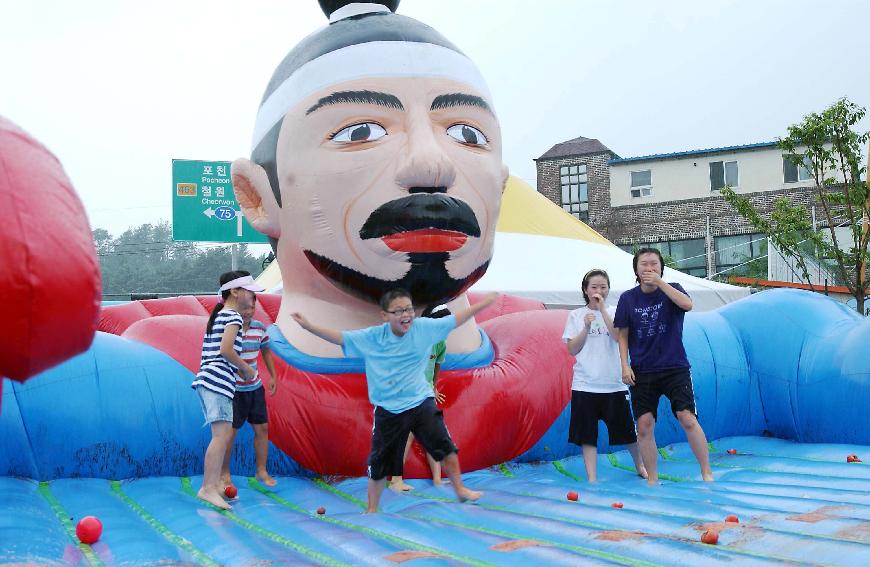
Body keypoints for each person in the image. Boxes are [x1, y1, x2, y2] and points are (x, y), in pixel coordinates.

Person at [290, 289, 497, 512]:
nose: (405, 315)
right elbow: (340, 337)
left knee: (445, 446)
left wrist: (482, 304)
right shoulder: (373, 337)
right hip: (389, 408)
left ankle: (460, 490)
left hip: (420, 401)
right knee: (379, 462)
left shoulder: (423, 329)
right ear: (385, 315)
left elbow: (455, 320)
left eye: (408, 309)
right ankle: (372, 509)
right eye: (398, 311)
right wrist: (308, 326)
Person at [614, 248, 714, 485]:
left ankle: (706, 472)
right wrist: (624, 366)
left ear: (661, 268)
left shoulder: (674, 289)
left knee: (687, 417)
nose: (649, 268)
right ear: (636, 271)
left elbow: (688, 305)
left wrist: (661, 283)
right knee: (645, 425)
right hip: (642, 370)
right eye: (644, 265)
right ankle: (653, 478)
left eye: (654, 264)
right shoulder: (628, 299)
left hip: (675, 367)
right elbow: (623, 335)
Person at [563, 269, 646, 482]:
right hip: (585, 384)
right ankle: (592, 476)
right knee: (587, 436)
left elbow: (618, 337)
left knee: (628, 432)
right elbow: (572, 349)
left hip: (614, 384)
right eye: (594, 287)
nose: (599, 291)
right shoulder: (576, 315)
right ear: (585, 290)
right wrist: (586, 326)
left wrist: (603, 311)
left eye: (603, 287)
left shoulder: (617, 310)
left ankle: (640, 466)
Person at [191, 271, 264, 509]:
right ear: (235, 291)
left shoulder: (220, 315)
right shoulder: (232, 316)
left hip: (209, 380)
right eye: (250, 292)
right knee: (220, 437)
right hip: (217, 380)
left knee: (220, 436)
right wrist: (245, 368)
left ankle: (216, 485)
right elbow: (225, 350)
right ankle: (208, 487)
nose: (253, 297)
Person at [221, 296, 279, 492]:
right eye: (244, 307)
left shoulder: (259, 328)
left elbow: (266, 351)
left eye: (251, 307)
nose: (248, 311)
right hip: (235, 389)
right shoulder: (231, 328)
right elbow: (225, 353)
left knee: (262, 429)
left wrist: (272, 375)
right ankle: (224, 472)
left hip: (254, 388)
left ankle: (261, 470)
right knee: (230, 433)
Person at [390, 305, 450, 491]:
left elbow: (437, 366)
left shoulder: (440, 343)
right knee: (407, 437)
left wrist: (434, 386)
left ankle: (438, 479)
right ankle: (395, 480)